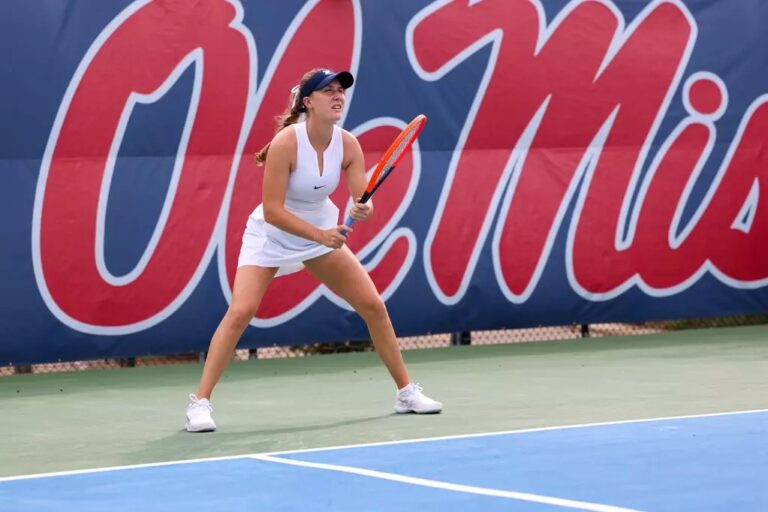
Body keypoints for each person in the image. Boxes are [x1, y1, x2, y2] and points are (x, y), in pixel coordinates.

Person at [185, 68, 442, 432]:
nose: (338, 96)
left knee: (373, 306)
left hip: (320, 233)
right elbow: (273, 211)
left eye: (341, 91)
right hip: (271, 236)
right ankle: (200, 404)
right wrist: (321, 237)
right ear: (308, 102)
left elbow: (360, 199)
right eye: (328, 91)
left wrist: (362, 209)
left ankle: (405, 392)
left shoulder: (348, 144)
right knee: (241, 311)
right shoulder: (286, 144)